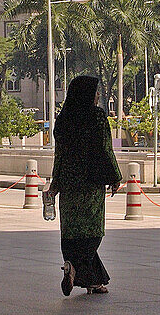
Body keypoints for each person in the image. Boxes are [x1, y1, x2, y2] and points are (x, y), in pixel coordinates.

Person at [43, 75, 123, 296]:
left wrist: (55, 184)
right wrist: (115, 176)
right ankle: (75, 267)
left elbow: (59, 156)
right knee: (92, 232)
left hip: (68, 185)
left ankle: (85, 276)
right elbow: (106, 149)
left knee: (72, 232)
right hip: (90, 183)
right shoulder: (96, 117)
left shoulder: (63, 119)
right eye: (96, 91)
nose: (98, 95)